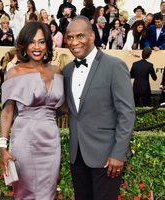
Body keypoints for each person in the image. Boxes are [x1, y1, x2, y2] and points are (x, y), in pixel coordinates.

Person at [63, 15, 135, 200]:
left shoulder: (114, 66)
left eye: (80, 36)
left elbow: (126, 113)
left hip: (106, 156)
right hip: (77, 155)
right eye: (70, 37)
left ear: (92, 36)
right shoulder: (68, 70)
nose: (74, 42)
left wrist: (118, 154)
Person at [0, 21, 64, 199]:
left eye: (41, 42)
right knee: (25, 191)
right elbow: (7, 112)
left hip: (51, 142)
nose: (37, 47)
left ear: (47, 44)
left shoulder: (57, 72)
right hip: (24, 140)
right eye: (32, 42)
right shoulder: (15, 72)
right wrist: (2, 147)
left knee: (47, 192)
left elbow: (64, 108)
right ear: (24, 45)